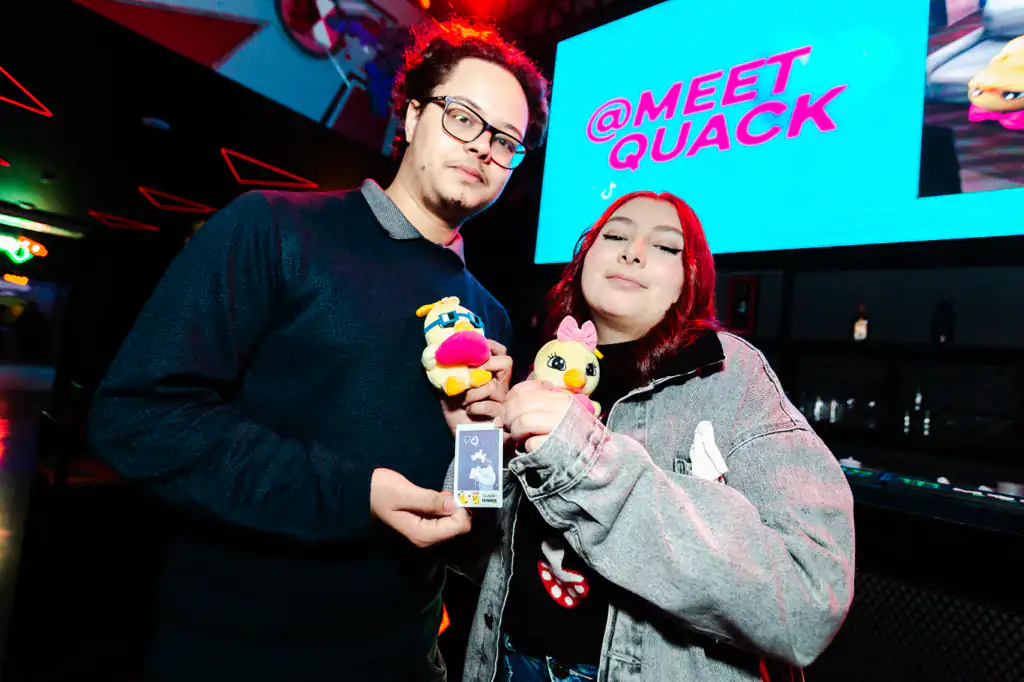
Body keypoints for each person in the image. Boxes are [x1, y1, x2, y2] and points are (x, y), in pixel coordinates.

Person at [87, 18, 549, 682]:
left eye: (505, 140)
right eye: (462, 117)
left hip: (403, 655)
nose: (482, 146)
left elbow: (469, 518)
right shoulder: (272, 227)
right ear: (412, 116)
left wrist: (480, 439)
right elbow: (136, 418)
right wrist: (354, 493)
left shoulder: (491, 314)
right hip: (241, 651)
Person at [458, 191, 856, 682]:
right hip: (507, 664)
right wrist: (476, 432)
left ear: (691, 280)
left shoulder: (731, 377)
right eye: (615, 236)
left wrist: (584, 460)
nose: (632, 252)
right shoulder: (549, 370)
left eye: (666, 246)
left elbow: (808, 604)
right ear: (582, 261)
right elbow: (476, 551)